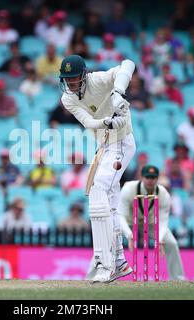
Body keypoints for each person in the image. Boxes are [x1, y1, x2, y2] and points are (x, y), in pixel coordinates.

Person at [59, 54, 136, 282]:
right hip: (105, 145)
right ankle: (119, 262)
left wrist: (118, 93)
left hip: (121, 144)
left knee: (98, 191)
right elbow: (88, 122)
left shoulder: (100, 80)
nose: (71, 84)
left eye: (75, 78)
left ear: (84, 74)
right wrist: (107, 122)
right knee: (108, 204)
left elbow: (128, 64)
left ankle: (105, 264)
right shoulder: (68, 99)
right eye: (67, 79)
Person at [118, 165, 185, 281]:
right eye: (147, 177)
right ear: (142, 177)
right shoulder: (129, 188)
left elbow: (163, 221)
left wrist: (159, 240)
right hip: (128, 221)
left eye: (153, 177)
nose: (150, 180)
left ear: (157, 179)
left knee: (171, 243)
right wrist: (129, 234)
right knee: (109, 241)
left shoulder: (163, 193)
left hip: (149, 223)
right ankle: (93, 276)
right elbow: (120, 215)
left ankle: (178, 279)